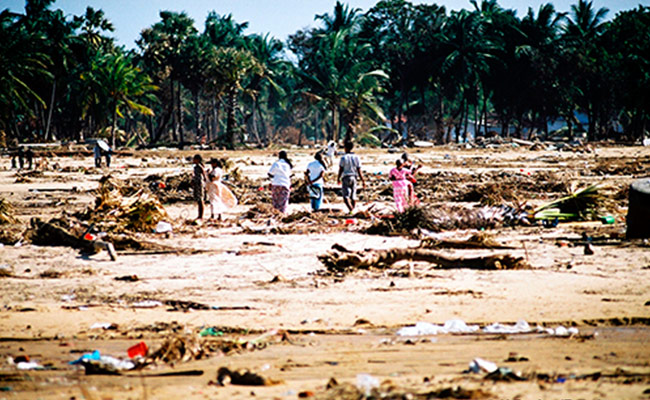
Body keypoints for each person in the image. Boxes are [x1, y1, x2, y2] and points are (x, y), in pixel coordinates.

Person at [337, 141, 365, 213]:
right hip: (354, 177)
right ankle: (352, 209)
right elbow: (359, 169)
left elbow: (341, 169)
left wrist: (338, 178)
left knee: (346, 196)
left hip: (346, 177)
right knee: (353, 195)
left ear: (345, 148)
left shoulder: (343, 158)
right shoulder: (356, 158)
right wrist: (363, 180)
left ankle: (351, 210)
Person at [192, 154, 207, 220]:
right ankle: (199, 215)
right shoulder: (195, 167)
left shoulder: (200, 167)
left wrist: (205, 183)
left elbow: (204, 175)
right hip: (197, 184)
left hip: (200, 184)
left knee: (200, 200)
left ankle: (201, 216)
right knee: (198, 199)